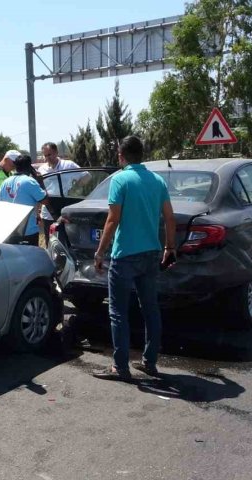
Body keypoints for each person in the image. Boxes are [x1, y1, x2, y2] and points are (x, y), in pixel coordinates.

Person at [91, 135, 176, 381]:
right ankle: (150, 361)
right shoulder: (158, 180)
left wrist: (100, 252)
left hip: (124, 255)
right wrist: (170, 247)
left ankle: (120, 366)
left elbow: (112, 219)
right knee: (150, 308)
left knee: (118, 312)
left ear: (121, 156)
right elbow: (170, 218)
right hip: (151, 253)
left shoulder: (120, 179)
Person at [0, 155, 50, 247]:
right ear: (29, 167)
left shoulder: (5, 182)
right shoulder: (30, 182)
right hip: (28, 230)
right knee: (30, 258)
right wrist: (41, 182)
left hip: (9, 230)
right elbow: (45, 201)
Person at [37, 142, 80, 242]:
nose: (48, 158)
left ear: (56, 152)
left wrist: (75, 188)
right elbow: (39, 190)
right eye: (45, 155)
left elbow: (87, 176)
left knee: (67, 241)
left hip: (65, 209)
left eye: (50, 154)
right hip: (48, 211)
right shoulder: (41, 169)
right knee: (50, 242)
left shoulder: (68, 165)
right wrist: (38, 212)